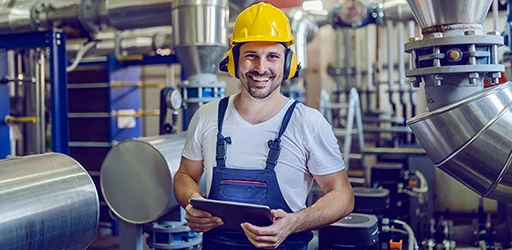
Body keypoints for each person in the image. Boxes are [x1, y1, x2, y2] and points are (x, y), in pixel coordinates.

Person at [173, 2, 354, 249]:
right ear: (234, 60)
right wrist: (192, 202)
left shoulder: (308, 123)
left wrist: (294, 223)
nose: (261, 68)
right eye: (251, 55)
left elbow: (343, 196)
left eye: (272, 56)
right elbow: (184, 175)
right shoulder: (207, 116)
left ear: (287, 63)